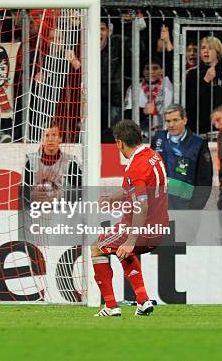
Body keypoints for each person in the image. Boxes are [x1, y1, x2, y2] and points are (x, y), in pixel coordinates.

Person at [93, 119, 169, 317]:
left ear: (119, 143)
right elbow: (135, 189)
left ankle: (110, 306)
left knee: (96, 248)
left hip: (143, 230)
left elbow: (141, 205)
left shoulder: (135, 168)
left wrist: (131, 239)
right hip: (160, 228)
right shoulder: (153, 156)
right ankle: (143, 301)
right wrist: (111, 198)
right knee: (119, 249)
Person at [151, 104, 213, 209]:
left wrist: (195, 208)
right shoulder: (158, 138)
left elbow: (204, 179)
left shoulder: (198, 143)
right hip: (159, 205)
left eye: (175, 120)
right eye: (168, 121)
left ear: (184, 120)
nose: (171, 124)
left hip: (185, 207)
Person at [22, 121, 82, 211]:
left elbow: (84, 192)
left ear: (60, 138)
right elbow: (22, 192)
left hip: (63, 215)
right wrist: (31, 195)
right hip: (37, 214)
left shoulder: (70, 162)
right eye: (46, 136)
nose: (50, 139)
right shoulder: (31, 161)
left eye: (54, 135)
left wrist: (63, 195)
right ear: (41, 139)